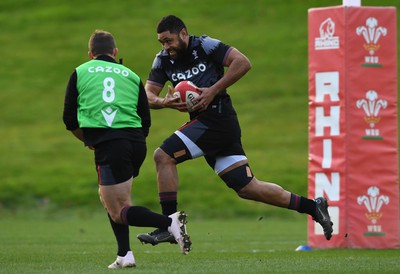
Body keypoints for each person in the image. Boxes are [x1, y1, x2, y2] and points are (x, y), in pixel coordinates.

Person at [137, 15, 333, 246]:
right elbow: (148, 95)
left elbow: (243, 62)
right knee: (248, 188)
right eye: (161, 42)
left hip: (217, 120)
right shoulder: (162, 60)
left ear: (183, 33)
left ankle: (168, 225)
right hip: (207, 126)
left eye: (168, 40)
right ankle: (314, 206)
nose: (165, 47)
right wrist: (164, 102)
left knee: (163, 156)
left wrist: (212, 90)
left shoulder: (205, 45)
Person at [62, 30, 191, 269]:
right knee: (111, 200)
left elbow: (69, 119)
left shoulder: (80, 71)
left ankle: (169, 223)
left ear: (90, 54)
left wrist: (89, 140)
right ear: (115, 53)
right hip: (135, 143)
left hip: (110, 143)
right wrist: (131, 142)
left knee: (118, 209)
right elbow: (145, 119)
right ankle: (124, 255)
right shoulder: (130, 75)